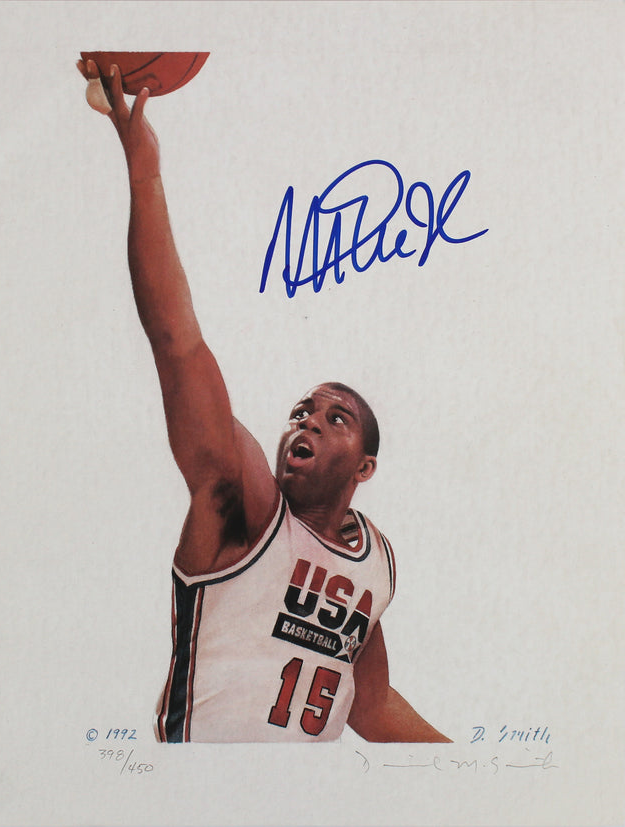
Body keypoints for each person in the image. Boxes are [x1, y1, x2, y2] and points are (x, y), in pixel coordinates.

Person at [78, 59, 450, 744]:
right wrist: (144, 172)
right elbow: (177, 343)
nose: (307, 420)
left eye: (335, 418)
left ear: (365, 466)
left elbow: (370, 706)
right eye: (302, 411)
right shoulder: (243, 500)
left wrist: (475, 771)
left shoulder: (373, 563)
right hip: (194, 785)